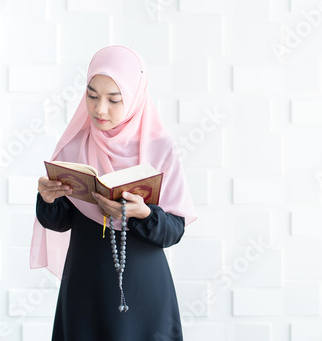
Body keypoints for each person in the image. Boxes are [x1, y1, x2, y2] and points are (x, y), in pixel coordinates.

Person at [29, 45, 197, 340]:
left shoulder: (159, 148)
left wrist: (143, 213)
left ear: (134, 98)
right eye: (92, 96)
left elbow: (174, 232)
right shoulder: (74, 145)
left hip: (143, 289)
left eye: (114, 99)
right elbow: (59, 222)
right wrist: (48, 198)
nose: (99, 109)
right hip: (84, 286)